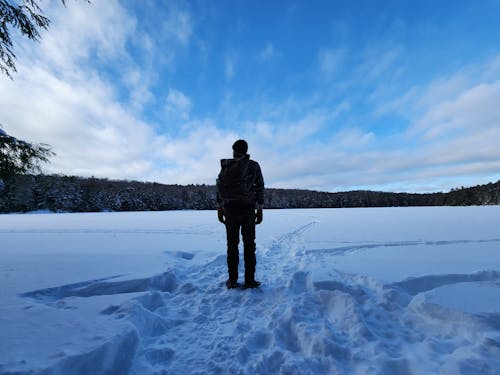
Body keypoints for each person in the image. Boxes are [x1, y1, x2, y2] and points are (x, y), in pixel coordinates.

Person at [216, 139, 264, 289]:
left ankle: (232, 280)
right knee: (249, 246)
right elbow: (260, 187)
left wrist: (219, 208)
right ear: (246, 150)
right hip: (248, 210)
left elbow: (219, 187)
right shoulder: (253, 166)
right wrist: (260, 209)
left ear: (234, 151)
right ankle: (249, 281)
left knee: (232, 246)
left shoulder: (226, 166)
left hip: (230, 210)